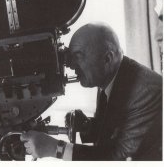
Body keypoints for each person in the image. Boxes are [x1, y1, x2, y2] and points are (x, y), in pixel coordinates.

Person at [20, 22, 162, 160]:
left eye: (78, 55)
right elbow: (118, 130)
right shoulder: (109, 79)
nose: (70, 65)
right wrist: (88, 127)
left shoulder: (145, 92)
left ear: (107, 58)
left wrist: (56, 149)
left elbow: (121, 158)